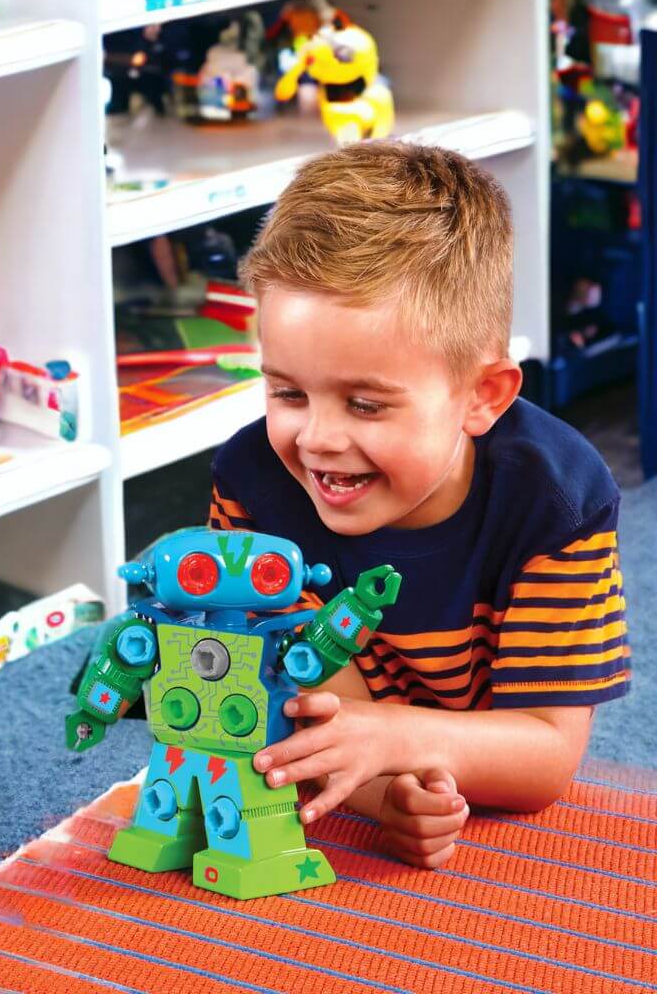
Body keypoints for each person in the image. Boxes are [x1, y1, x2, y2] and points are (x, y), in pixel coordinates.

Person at [209, 141, 630, 869]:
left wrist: (395, 739)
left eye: (365, 404)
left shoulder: (559, 501)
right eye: (287, 392)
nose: (316, 439)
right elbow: (307, 709)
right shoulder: (252, 484)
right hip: (372, 740)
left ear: (482, 397)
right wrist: (384, 795)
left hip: (484, 730)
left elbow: (544, 757)